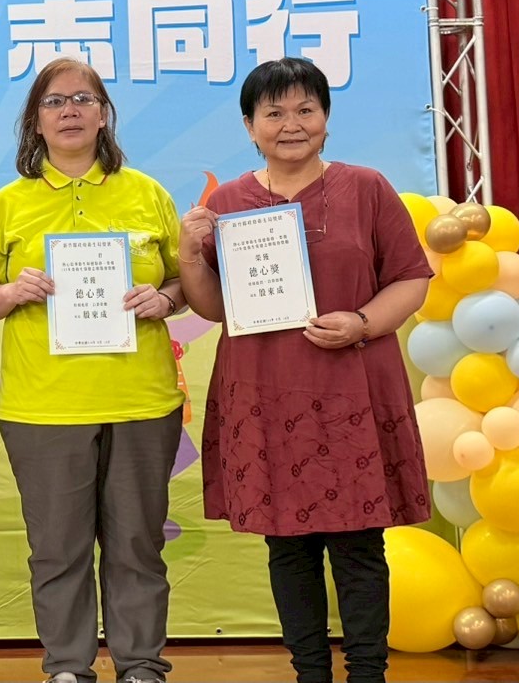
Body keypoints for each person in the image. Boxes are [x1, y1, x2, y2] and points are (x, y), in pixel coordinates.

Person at [176, 57, 432, 683]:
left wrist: (363, 323)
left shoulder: (367, 188)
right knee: (287, 546)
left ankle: (368, 673)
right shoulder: (228, 202)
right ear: (250, 126)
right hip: (264, 394)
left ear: (326, 118)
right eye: (274, 113)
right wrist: (189, 252)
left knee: (359, 544)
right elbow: (214, 307)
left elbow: (411, 278)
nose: (291, 124)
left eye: (305, 110)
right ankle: (309, 673)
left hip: (352, 390)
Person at [0, 58, 187, 683]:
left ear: (103, 115)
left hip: (141, 399)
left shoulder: (147, 194)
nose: (70, 111)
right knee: (57, 548)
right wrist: (11, 292)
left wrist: (164, 298)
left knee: (137, 544)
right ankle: (67, 666)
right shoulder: (7, 205)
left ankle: (141, 665)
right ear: (34, 121)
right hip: (43, 406)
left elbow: (184, 282)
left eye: (84, 99)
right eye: (55, 101)